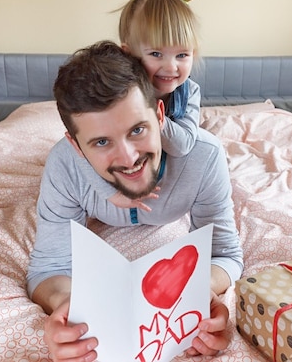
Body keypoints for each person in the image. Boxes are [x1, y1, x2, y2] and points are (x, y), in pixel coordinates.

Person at [26, 40, 243, 362]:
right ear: (76, 146)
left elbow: (225, 253)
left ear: (159, 114)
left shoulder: (205, 156)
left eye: (138, 130)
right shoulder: (64, 165)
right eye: (101, 142)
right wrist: (67, 305)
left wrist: (199, 290)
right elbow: (49, 266)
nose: (129, 158)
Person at [106, 0, 203, 212]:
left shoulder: (188, 92)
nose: (171, 67)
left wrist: (151, 115)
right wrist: (107, 193)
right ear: (128, 54)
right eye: (156, 54)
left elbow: (183, 145)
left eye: (182, 55)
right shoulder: (118, 91)